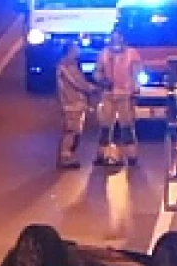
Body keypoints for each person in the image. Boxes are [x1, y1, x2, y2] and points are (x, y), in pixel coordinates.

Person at [93, 28, 142, 166]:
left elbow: (137, 73)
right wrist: (101, 80)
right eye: (113, 38)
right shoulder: (104, 54)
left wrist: (134, 90)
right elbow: (97, 71)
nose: (116, 41)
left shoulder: (132, 54)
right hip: (108, 94)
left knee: (126, 127)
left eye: (118, 38)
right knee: (105, 127)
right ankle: (101, 155)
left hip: (125, 95)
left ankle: (131, 156)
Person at [54, 40, 99, 169]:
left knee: (75, 131)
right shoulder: (67, 66)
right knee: (71, 131)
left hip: (75, 103)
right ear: (70, 51)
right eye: (76, 49)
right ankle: (65, 157)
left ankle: (69, 155)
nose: (78, 51)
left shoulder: (70, 65)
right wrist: (93, 88)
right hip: (71, 103)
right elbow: (78, 83)